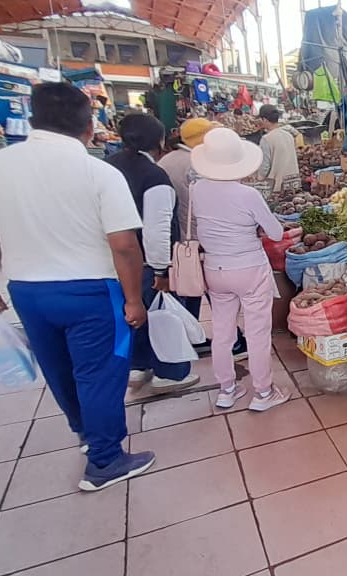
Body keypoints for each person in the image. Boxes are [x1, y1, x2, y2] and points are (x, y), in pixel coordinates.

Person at [0, 82, 154, 491]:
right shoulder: (99, 172)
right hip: (92, 292)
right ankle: (105, 460)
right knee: (101, 373)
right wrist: (135, 299)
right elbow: (123, 245)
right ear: (89, 127)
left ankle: (88, 434)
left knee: (59, 368)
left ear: (32, 119)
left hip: (29, 292)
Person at [190, 127, 290, 411]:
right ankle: (263, 393)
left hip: (214, 268)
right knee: (257, 332)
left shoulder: (197, 189)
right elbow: (275, 232)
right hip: (248, 268)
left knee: (222, 331)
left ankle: (226, 389)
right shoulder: (247, 194)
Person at [105, 114, 199, 391]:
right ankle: (169, 372)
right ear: (158, 141)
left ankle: (138, 366)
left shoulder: (108, 168)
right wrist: (162, 269)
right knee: (160, 312)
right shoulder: (153, 175)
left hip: (114, 259)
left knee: (132, 312)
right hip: (145, 260)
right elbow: (157, 227)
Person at [158, 117, 250, 359]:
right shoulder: (197, 164)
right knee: (216, 293)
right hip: (200, 235)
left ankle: (190, 337)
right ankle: (233, 342)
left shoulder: (167, 160)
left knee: (187, 288)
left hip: (178, 236)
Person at [253, 104, 302, 199]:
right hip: (294, 184)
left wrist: (258, 180)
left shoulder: (266, 139)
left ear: (265, 120)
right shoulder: (289, 135)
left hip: (277, 188)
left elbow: (264, 168)